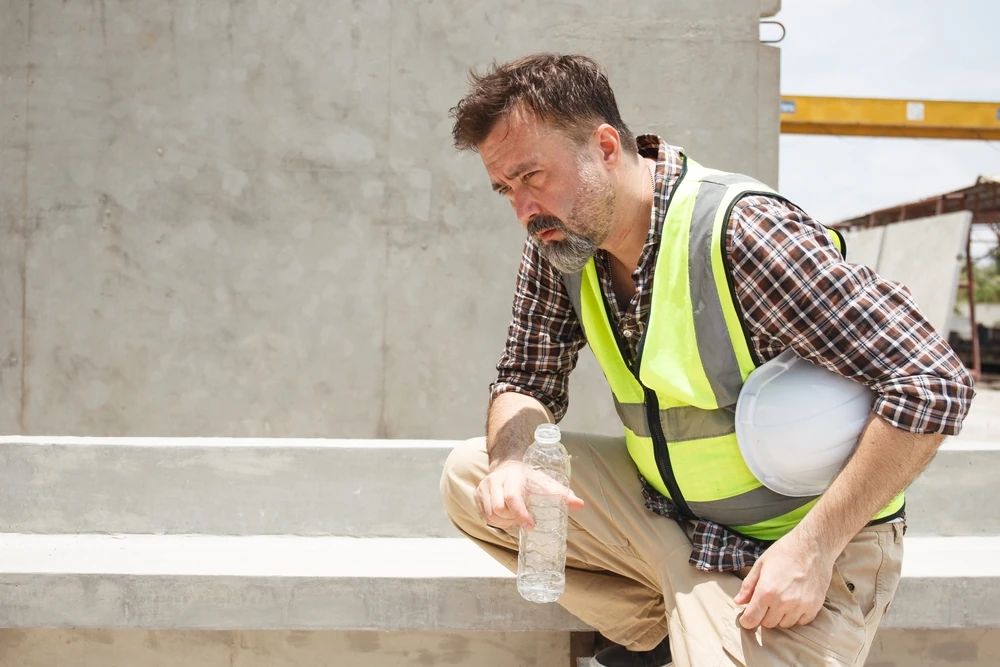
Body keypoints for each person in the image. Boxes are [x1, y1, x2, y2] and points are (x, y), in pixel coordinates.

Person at [439, 53, 975, 667]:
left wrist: (815, 547)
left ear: (606, 147)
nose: (524, 209)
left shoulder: (742, 232)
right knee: (474, 474)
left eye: (533, 176)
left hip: (797, 545)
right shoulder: (562, 242)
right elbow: (524, 378)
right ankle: (674, 617)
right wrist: (510, 462)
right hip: (674, 523)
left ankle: (707, 619)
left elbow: (932, 382)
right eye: (506, 189)